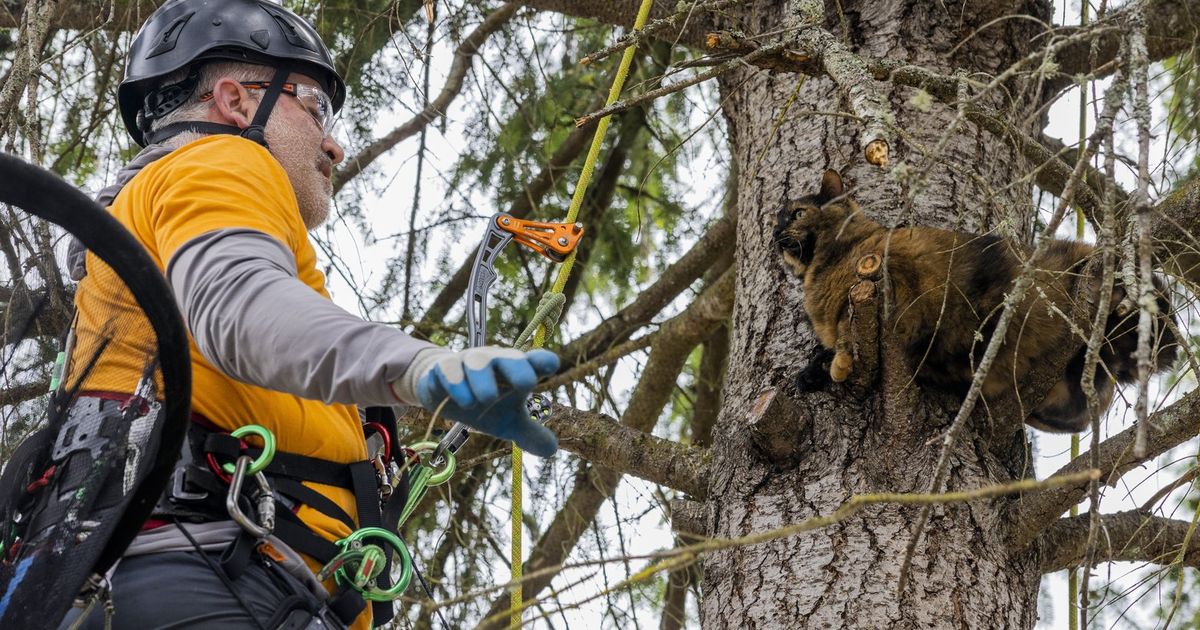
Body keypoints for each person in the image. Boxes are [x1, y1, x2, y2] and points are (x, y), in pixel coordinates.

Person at [57, 1, 559, 628]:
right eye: (314, 106)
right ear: (237, 102)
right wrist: (418, 366)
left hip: (218, 578)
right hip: (211, 575)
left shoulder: (160, 207)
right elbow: (239, 304)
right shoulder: (221, 161)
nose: (334, 142)